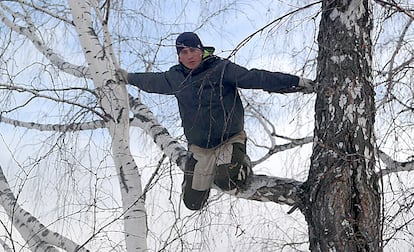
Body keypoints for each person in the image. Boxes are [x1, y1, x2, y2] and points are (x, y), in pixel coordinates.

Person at [119, 32, 314, 210]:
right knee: (193, 203)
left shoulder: (220, 68)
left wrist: (295, 82)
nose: (189, 56)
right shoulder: (175, 78)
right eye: (184, 52)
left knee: (228, 182)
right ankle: (194, 169)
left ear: (201, 51)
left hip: (229, 140)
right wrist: (126, 77)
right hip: (200, 149)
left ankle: (241, 162)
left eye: (193, 50)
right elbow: (151, 81)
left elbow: (256, 77)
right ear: (179, 56)